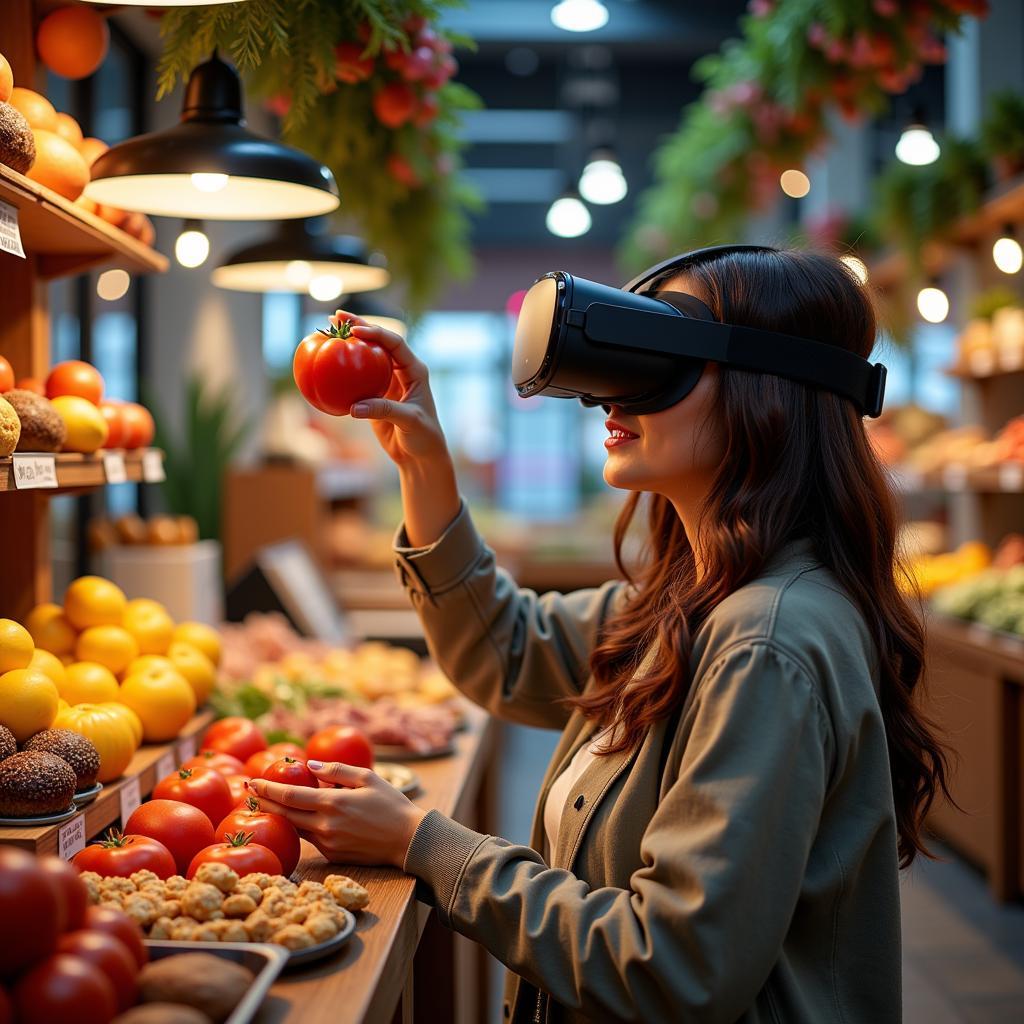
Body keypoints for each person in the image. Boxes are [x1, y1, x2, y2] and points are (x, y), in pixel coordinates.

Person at [248, 246, 951, 1023]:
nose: (611, 398)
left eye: (658, 362)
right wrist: (424, 461)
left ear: (768, 391)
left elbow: (676, 965)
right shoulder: (688, 601)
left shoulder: (762, 643)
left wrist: (425, 844)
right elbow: (506, 652)